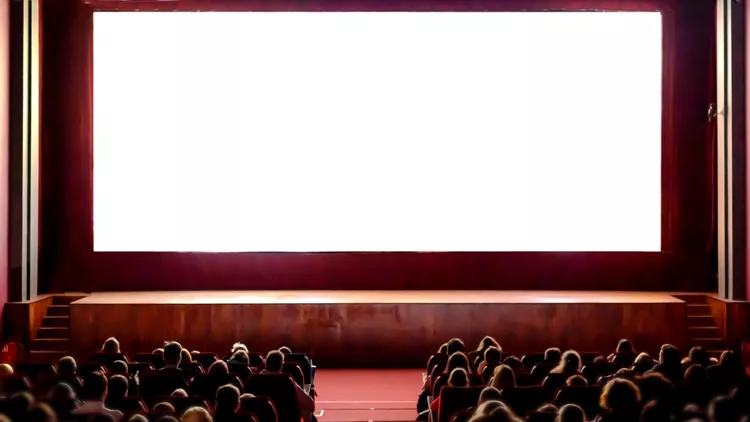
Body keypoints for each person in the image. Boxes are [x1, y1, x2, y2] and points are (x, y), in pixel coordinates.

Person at [262, 350, 314, 422]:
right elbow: (308, 401)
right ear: (281, 365)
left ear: (266, 363)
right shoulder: (287, 381)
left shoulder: (253, 380)